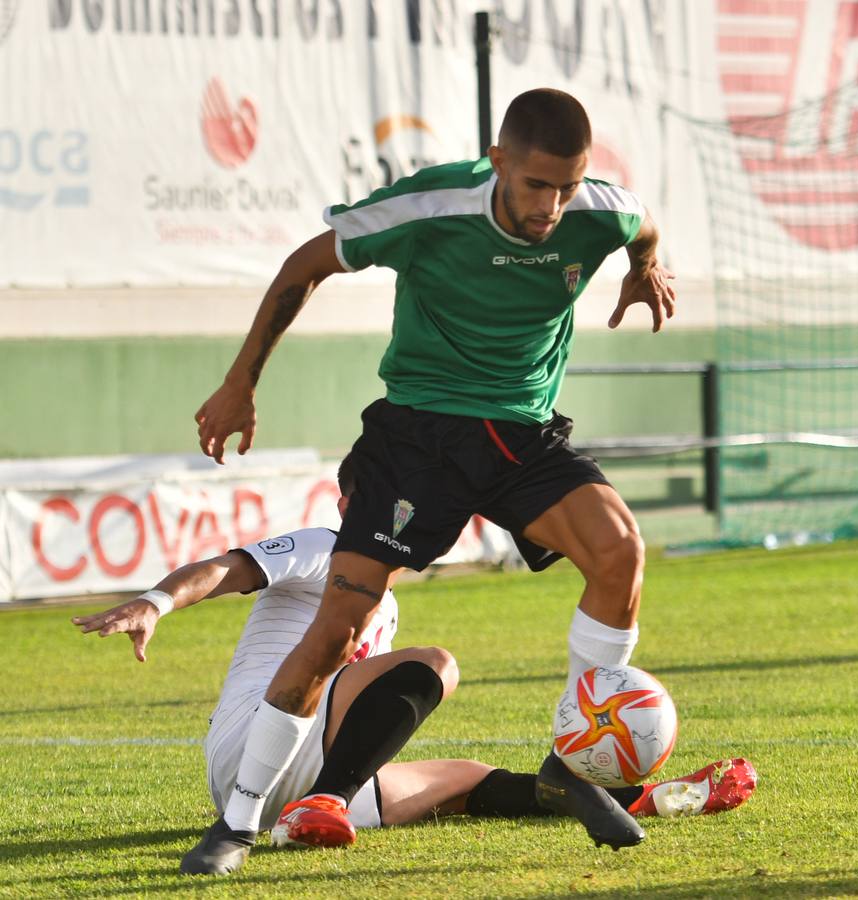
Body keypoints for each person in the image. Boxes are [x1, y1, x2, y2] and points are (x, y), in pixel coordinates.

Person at [188, 87, 684, 874]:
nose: (553, 206)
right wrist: (240, 383)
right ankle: (239, 822)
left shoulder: (600, 211)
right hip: (416, 436)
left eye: (568, 186)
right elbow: (302, 265)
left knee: (619, 550)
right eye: (535, 186)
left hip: (518, 434)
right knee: (339, 628)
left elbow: (640, 223)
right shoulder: (429, 209)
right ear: (498, 164)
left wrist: (645, 268)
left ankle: (572, 758)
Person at [72, 455, 758, 874]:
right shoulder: (324, 545)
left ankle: (652, 799)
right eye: (392, 502)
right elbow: (228, 567)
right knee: (432, 667)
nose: (409, 515)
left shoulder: (385, 595)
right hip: (251, 747)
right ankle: (326, 801)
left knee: (468, 782)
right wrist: (157, 601)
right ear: (351, 507)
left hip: (277, 785)